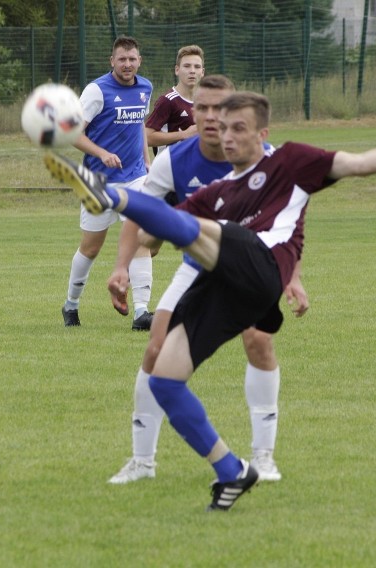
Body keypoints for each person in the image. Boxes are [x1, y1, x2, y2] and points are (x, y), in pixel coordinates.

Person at [44, 91, 376, 511]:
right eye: (223, 129)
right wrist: (148, 230)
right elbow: (153, 235)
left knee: (217, 235)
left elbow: (359, 164)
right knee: (164, 380)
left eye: (238, 128)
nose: (227, 137)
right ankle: (231, 470)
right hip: (220, 284)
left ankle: (111, 195)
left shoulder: (290, 161)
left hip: (263, 271)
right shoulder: (218, 192)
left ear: (262, 133)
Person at [106, 75, 306, 485]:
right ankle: (142, 462)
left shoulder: (264, 158)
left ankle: (263, 457)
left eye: (221, 108)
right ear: (192, 111)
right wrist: (122, 265)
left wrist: (292, 276)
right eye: (203, 108)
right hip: (198, 269)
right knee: (156, 350)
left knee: (259, 340)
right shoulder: (173, 161)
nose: (211, 116)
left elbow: (292, 216)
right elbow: (139, 211)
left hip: (252, 271)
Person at [62, 36, 155, 331]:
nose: (127, 64)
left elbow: (139, 124)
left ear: (139, 61)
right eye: (122, 59)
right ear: (111, 61)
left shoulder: (145, 87)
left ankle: (142, 312)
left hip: (136, 178)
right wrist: (102, 154)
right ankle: (71, 304)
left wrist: (146, 160)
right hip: (98, 183)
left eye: (132, 59)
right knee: (90, 248)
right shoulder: (97, 91)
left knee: (140, 238)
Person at [145, 45, 205, 155]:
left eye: (197, 67)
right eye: (187, 66)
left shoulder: (205, 101)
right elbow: (146, 137)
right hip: (170, 168)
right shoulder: (168, 101)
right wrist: (184, 134)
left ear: (202, 72)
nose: (192, 71)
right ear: (177, 70)